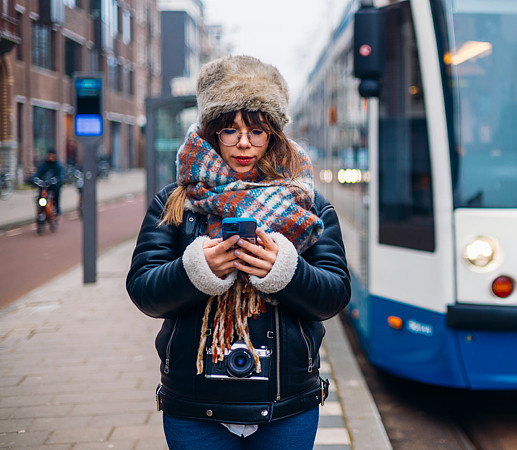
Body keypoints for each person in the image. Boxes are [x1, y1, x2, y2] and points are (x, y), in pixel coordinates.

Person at [126, 55, 351, 450]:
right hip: (195, 406)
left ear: (274, 134)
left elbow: (334, 295)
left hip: (287, 404)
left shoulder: (309, 206)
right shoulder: (176, 202)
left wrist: (287, 271)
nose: (244, 144)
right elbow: (144, 290)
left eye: (257, 131)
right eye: (230, 131)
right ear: (212, 133)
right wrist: (195, 270)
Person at [32, 148, 64, 215]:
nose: (50, 157)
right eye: (49, 156)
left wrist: (58, 180)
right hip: (44, 184)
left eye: (51, 156)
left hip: (53, 185)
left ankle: (57, 208)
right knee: (40, 196)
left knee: (56, 193)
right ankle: (40, 210)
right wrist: (35, 178)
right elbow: (37, 173)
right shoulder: (43, 165)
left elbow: (61, 176)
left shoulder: (58, 165)